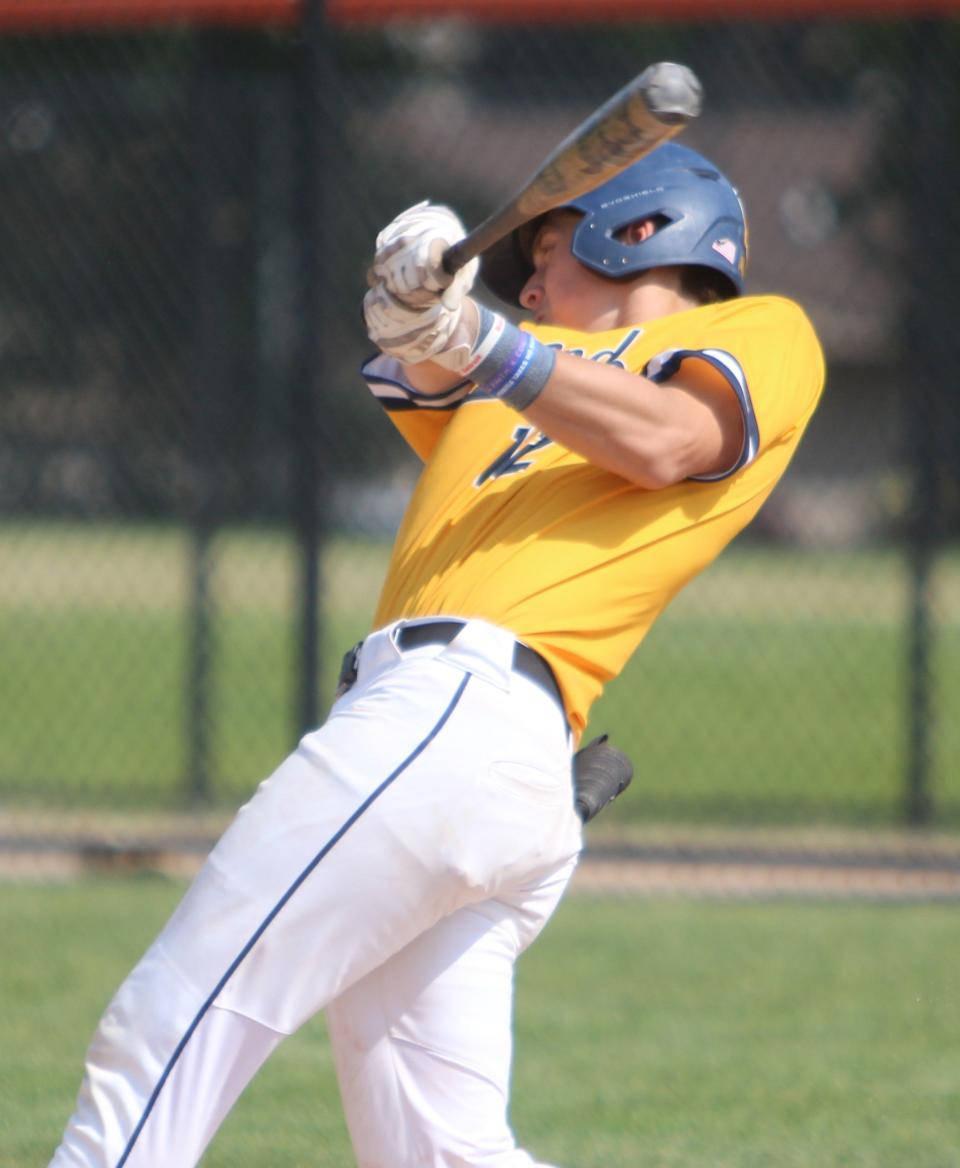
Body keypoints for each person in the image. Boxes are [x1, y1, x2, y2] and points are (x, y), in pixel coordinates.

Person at [49, 142, 824, 1168]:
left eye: (547, 254)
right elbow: (438, 370)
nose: (532, 286)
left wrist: (484, 338)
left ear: (640, 232)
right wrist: (412, 301)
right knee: (442, 1155)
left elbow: (670, 439)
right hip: (466, 752)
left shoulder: (758, 330)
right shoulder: (527, 387)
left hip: (459, 714)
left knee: (170, 1019)